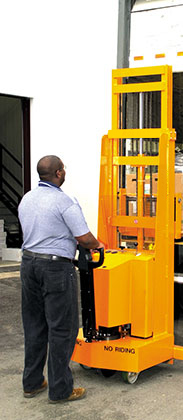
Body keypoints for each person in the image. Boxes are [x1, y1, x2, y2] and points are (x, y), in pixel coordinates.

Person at [18, 155, 103, 403]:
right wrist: (98, 244)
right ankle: (60, 390)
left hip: (29, 264)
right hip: (55, 269)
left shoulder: (27, 198)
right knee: (62, 329)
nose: (64, 172)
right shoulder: (64, 201)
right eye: (63, 169)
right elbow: (84, 238)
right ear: (58, 173)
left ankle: (32, 383)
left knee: (34, 325)